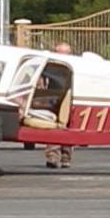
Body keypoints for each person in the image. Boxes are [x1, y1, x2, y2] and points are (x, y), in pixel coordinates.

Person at [44, 42, 75, 170]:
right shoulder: (49, 65)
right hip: (53, 97)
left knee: (68, 127)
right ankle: (52, 157)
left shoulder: (75, 67)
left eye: (65, 54)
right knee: (52, 127)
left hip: (70, 98)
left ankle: (66, 157)